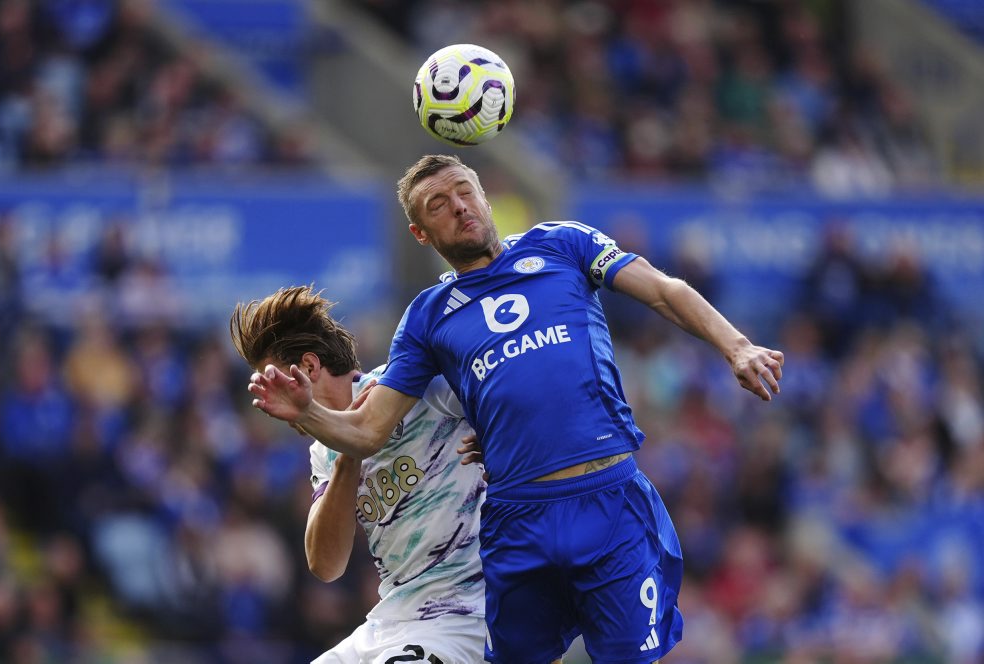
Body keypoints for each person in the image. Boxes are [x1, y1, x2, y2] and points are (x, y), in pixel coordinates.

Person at [247, 155, 785, 663]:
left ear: (484, 195)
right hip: (515, 521)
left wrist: (736, 345)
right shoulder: (429, 318)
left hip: (605, 498)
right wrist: (311, 416)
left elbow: (663, 291)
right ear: (421, 234)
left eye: (465, 191)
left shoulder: (562, 245)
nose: (458, 206)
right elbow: (364, 438)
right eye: (438, 205)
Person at [230, 285, 489, 664]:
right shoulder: (323, 452)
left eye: (275, 383)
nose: (270, 405)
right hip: (392, 619)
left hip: (465, 613)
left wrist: (495, 436)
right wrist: (348, 456)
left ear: (309, 367)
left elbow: (501, 396)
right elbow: (326, 565)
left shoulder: (406, 387)